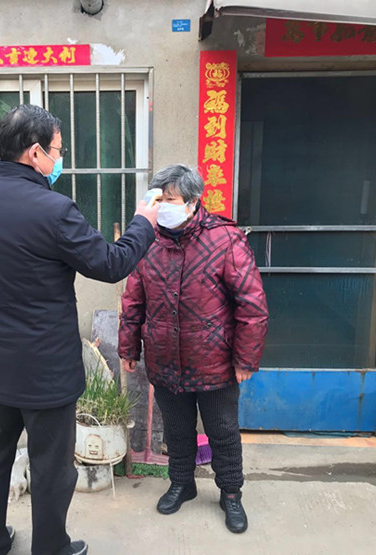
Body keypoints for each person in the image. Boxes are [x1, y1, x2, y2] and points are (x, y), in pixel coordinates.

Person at [0, 104, 159, 555]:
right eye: (58, 150)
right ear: (35, 153)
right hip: (48, 370)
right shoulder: (54, 210)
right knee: (52, 465)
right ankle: (51, 547)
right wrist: (143, 224)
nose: (59, 159)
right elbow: (111, 264)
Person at [118, 164, 268, 534]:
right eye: (157, 200)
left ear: (192, 201)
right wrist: (128, 347)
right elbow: (133, 300)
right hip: (165, 357)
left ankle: (230, 493)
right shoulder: (148, 240)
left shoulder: (225, 240)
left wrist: (245, 359)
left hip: (214, 361)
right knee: (177, 430)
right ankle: (181, 484)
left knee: (222, 431)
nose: (161, 207)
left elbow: (252, 305)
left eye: (169, 200)